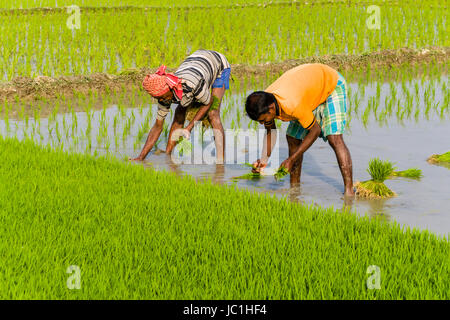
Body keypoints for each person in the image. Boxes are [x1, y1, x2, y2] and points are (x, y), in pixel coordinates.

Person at [245, 63, 355, 197]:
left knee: (334, 138)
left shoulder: (292, 104)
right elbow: (271, 132)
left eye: (263, 120)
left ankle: (349, 192)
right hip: (309, 89)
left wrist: (291, 159)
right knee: (292, 138)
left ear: (272, 108)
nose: (263, 123)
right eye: (260, 121)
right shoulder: (265, 101)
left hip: (331, 83)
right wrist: (263, 160)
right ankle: (294, 189)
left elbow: (315, 130)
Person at [133, 49, 231, 163]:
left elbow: (208, 102)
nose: (163, 100)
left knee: (213, 114)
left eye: (164, 97)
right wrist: (141, 157)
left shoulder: (192, 84)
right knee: (179, 111)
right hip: (196, 63)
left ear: (170, 88)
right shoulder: (162, 95)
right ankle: (168, 155)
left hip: (218, 64)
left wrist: (189, 128)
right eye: (159, 98)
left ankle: (221, 161)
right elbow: (157, 127)